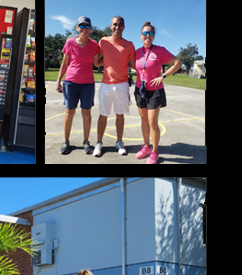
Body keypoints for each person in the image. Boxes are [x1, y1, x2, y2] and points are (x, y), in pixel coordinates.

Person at [133, 22, 182, 164]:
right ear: (141, 35)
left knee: (152, 122)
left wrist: (163, 76)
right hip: (140, 90)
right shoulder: (137, 52)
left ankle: (155, 152)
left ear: (154, 36)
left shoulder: (160, 50)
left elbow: (177, 63)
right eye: (145, 33)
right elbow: (134, 65)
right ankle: (146, 147)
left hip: (155, 91)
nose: (148, 36)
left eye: (151, 33)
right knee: (143, 120)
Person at [56, 16, 100, 155]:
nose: (84, 29)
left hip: (87, 83)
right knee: (69, 113)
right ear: (77, 28)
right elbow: (64, 64)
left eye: (87, 26)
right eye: (81, 26)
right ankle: (66, 141)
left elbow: (97, 63)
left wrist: (119, 61)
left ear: (91, 29)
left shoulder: (94, 45)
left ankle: (86, 142)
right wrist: (58, 81)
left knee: (86, 113)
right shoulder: (70, 43)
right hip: (70, 82)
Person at [93, 15, 136, 157]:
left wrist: (122, 64)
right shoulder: (103, 41)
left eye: (120, 24)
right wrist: (107, 63)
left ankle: (119, 142)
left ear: (124, 27)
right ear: (111, 26)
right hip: (106, 84)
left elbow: (133, 64)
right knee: (103, 115)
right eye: (115, 24)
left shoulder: (129, 45)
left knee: (120, 115)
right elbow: (96, 61)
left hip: (122, 85)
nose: (117, 27)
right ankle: (99, 143)